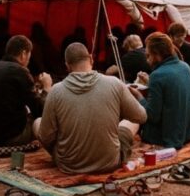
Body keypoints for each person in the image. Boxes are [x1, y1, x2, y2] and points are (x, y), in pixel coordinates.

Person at [36, 43, 147, 174]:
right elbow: (141, 117)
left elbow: (45, 137)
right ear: (91, 58)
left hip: (69, 166)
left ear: (67, 65)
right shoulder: (114, 83)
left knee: (37, 122)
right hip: (110, 163)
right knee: (131, 121)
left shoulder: (56, 91)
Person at [0, 35, 51, 146]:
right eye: (29, 55)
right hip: (10, 137)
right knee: (40, 121)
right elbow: (40, 110)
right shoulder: (20, 71)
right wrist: (46, 88)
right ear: (24, 53)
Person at [128, 33, 190, 149]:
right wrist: (150, 81)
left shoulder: (158, 75)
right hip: (189, 132)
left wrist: (137, 96)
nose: (147, 60)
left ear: (157, 55)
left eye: (148, 56)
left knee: (133, 114)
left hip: (168, 137)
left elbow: (151, 115)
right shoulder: (184, 66)